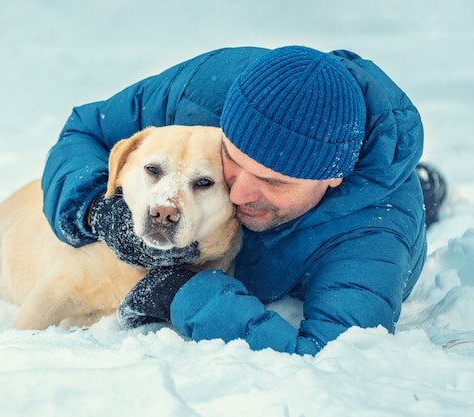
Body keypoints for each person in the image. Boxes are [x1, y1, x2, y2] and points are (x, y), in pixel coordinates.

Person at [41, 46, 447, 355]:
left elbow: (328, 360)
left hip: (342, 235)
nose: (238, 193)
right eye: (232, 160)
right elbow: (86, 129)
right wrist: (97, 208)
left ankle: (428, 191)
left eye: (274, 180)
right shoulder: (209, 90)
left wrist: (184, 292)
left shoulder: (374, 235)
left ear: (332, 177)